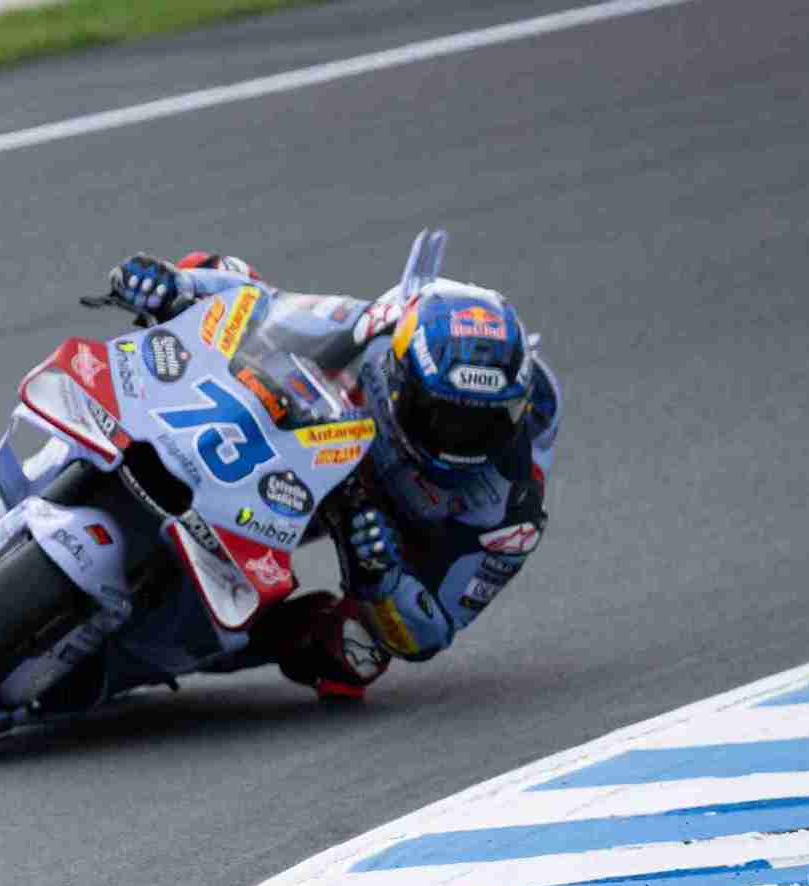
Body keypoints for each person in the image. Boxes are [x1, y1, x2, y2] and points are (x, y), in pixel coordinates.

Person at [100, 246, 559, 699]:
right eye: (445, 417)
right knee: (217, 270)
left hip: (378, 521)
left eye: (484, 424)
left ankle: (175, 648)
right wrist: (180, 288)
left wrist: (382, 573)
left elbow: (433, 629)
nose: (459, 438)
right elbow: (265, 303)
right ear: (404, 380)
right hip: (316, 434)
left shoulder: (509, 509)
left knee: (355, 652)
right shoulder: (377, 335)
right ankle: (108, 420)